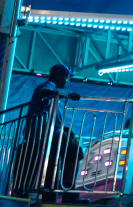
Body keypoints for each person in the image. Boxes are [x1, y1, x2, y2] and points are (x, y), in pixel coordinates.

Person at [15, 64, 85, 203]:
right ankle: (69, 190)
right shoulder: (49, 85)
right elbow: (44, 93)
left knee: (69, 144)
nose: (68, 81)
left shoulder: (52, 89)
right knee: (77, 151)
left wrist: (66, 129)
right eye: (66, 77)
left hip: (49, 133)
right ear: (58, 76)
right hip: (47, 135)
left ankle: (63, 185)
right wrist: (65, 96)